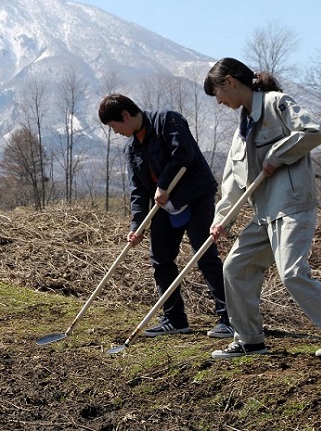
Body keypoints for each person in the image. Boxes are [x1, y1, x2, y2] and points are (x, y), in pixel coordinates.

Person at [203, 57, 321, 359]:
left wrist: (278, 155)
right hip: (264, 215)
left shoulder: (276, 104)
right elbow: (231, 182)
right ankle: (250, 340)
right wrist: (222, 219)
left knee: (292, 272)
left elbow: (316, 131)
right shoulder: (241, 133)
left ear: (229, 82)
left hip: (292, 206)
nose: (219, 102)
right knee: (235, 267)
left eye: (218, 95)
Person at [98, 93, 231, 338]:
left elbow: (183, 153)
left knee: (204, 254)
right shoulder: (132, 148)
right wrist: (137, 224)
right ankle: (174, 318)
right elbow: (138, 188)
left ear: (125, 115)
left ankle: (228, 317)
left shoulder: (168, 121)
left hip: (195, 195)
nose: (115, 132)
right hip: (163, 205)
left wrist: (164, 184)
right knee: (160, 259)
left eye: (115, 126)